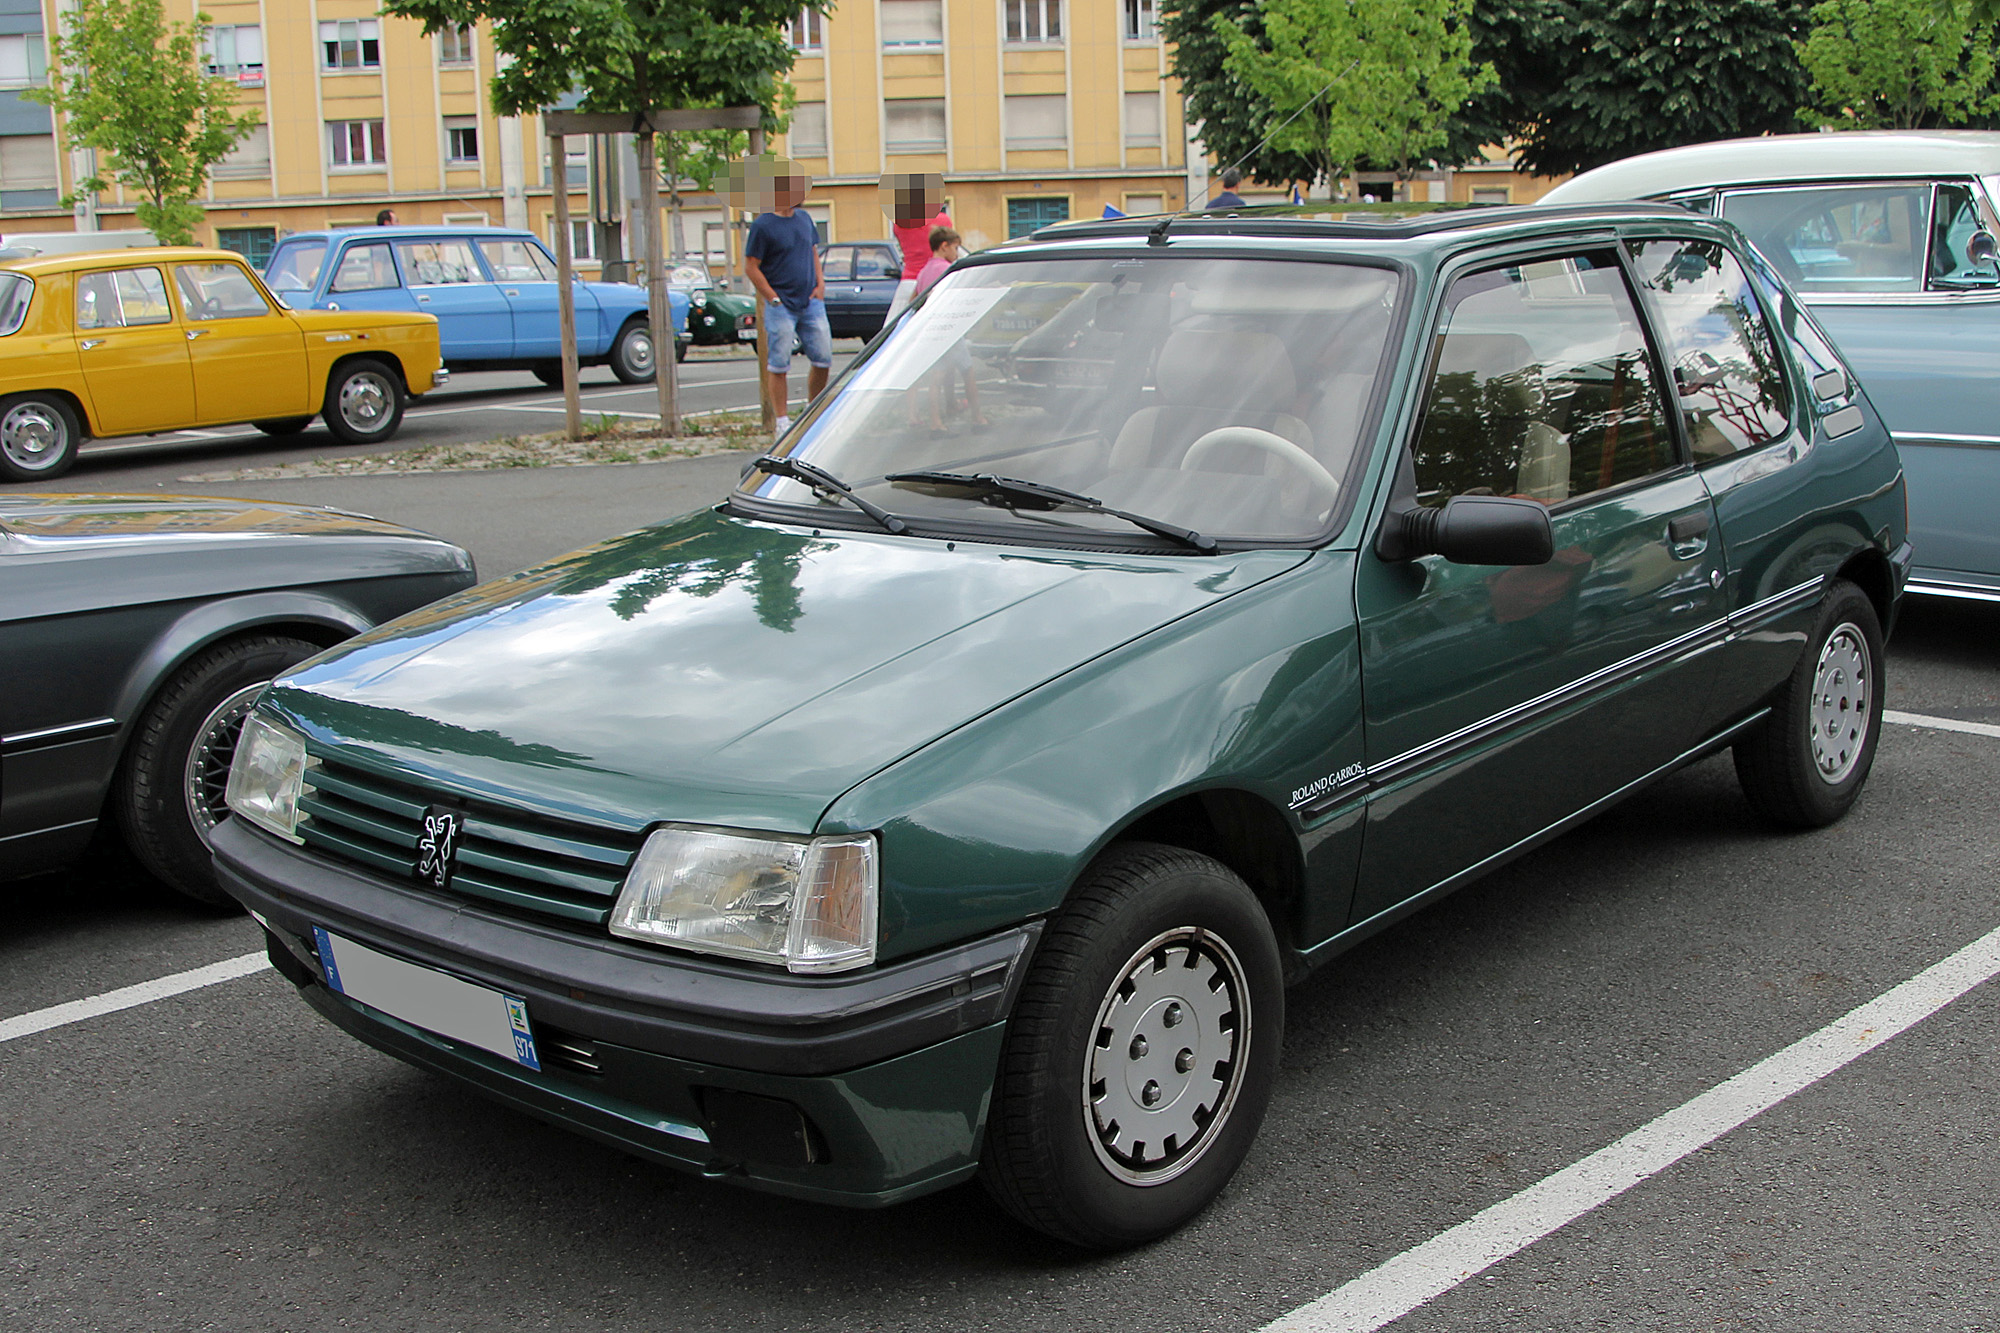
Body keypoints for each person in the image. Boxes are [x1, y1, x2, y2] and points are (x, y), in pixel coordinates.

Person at [743, 164, 832, 438]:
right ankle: (781, 421)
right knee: (779, 362)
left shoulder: (805, 219)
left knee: (824, 357)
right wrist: (772, 297)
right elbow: (750, 266)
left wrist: (820, 284)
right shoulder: (762, 225)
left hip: (810, 301)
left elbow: (813, 251)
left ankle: (812, 411)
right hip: (781, 305)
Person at [911, 227, 984, 429]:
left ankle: (936, 422)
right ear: (944, 246)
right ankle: (978, 417)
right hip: (950, 328)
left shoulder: (924, 271)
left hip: (932, 330)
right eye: (955, 248)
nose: (956, 253)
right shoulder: (946, 269)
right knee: (968, 371)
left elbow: (915, 298)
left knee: (936, 377)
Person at [883, 172, 950, 324]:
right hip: (936, 280)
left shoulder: (900, 222)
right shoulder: (942, 220)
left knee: (893, 331)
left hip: (909, 281)